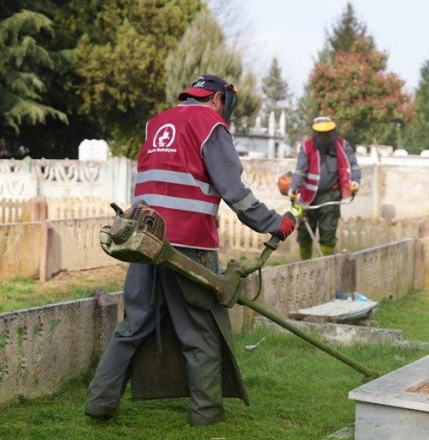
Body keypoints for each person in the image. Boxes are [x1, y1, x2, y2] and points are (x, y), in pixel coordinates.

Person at [85, 74, 298, 426]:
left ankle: (99, 404)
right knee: (199, 330)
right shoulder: (210, 124)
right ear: (217, 99)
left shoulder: (156, 123)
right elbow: (235, 192)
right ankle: (206, 413)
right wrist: (274, 224)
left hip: (142, 238)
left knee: (132, 324)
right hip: (189, 245)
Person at [289, 116, 361, 260]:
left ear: (333, 132)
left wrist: (355, 182)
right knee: (304, 233)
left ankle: (326, 267)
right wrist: (294, 188)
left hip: (331, 196)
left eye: (327, 133)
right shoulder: (306, 147)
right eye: (320, 133)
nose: (323, 137)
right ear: (315, 133)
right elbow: (300, 171)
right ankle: (306, 266)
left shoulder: (342, 145)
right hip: (308, 197)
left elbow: (353, 166)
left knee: (328, 232)